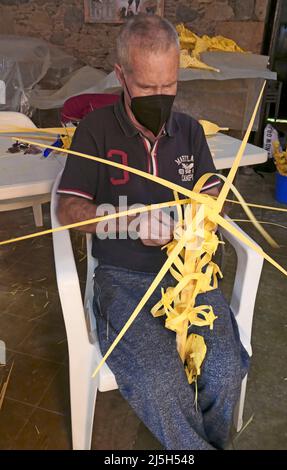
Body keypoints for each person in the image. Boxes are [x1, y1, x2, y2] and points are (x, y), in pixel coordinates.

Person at [56, 14, 249, 450]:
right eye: (146, 88)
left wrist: (207, 206)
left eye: (169, 86)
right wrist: (128, 221)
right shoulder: (96, 131)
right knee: (159, 380)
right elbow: (68, 208)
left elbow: (213, 188)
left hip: (188, 274)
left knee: (224, 370)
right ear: (122, 75)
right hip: (123, 278)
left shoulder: (190, 131)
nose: (160, 98)